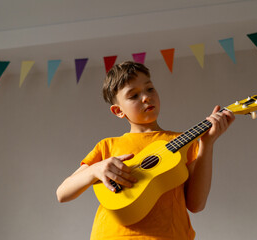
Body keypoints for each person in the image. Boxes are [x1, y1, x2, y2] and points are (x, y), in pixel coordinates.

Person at [56, 61, 235, 239]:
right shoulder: (107, 146)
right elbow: (62, 193)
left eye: (149, 89)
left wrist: (207, 144)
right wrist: (96, 169)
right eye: (133, 95)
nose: (146, 97)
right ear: (118, 111)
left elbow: (196, 204)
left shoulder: (184, 142)